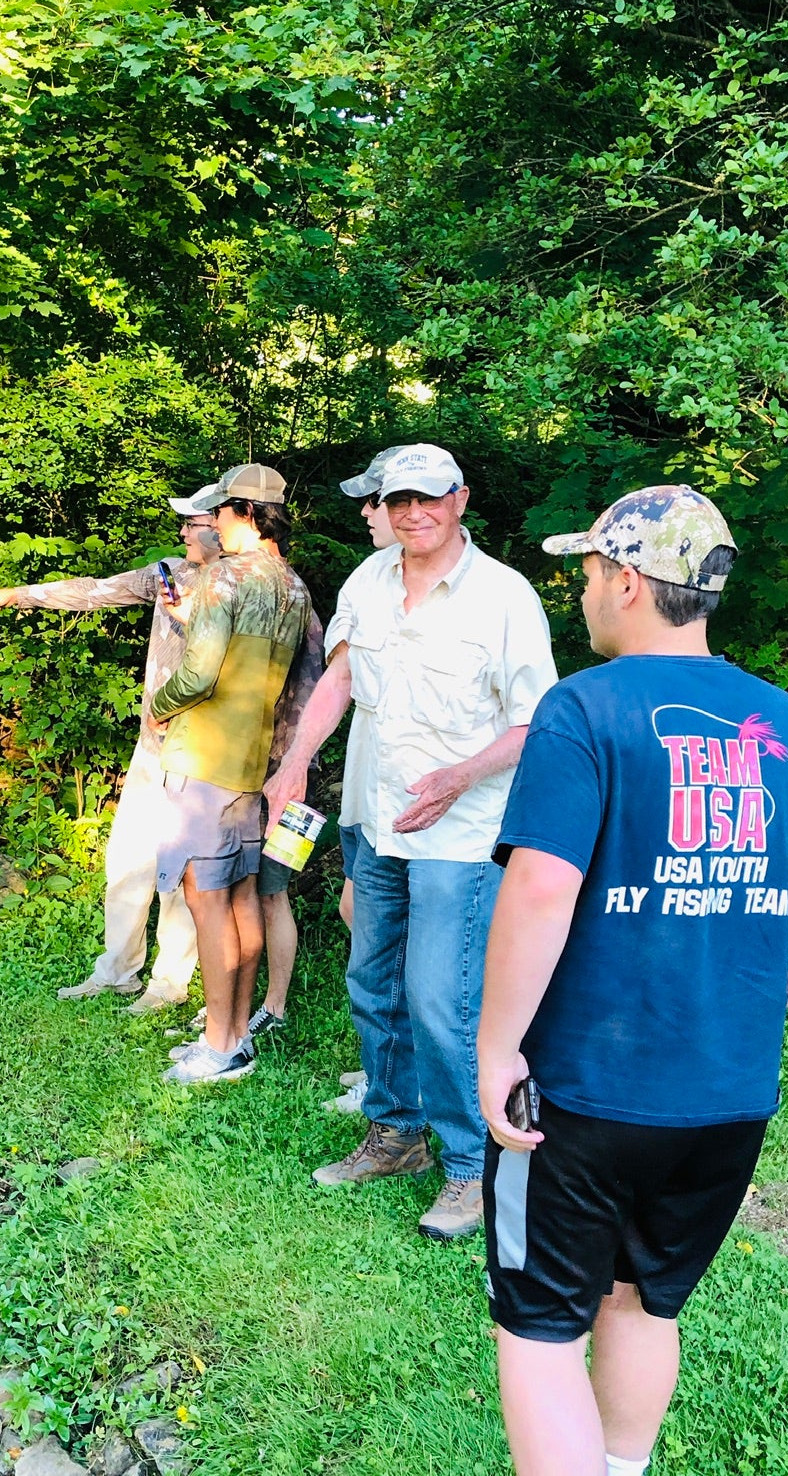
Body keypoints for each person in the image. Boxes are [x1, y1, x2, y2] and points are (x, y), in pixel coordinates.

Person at [475, 487, 788, 1476]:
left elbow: (538, 896)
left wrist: (495, 1048)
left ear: (628, 580)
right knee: (643, 1299)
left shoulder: (583, 710)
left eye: (591, 573)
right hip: (726, 1096)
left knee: (542, 1327)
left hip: (577, 1095)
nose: (586, 592)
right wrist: (734, 1014)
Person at [266, 444, 557, 1239]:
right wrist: (295, 761)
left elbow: (536, 723)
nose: (411, 513)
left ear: (460, 499)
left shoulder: (504, 596)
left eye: (428, 499)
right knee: (372, 983)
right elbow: (340, 680)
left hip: (460, 835)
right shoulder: (369, 579)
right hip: (375, 819)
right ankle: (394, 1135)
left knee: (442, 999)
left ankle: (471, 1166)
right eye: (397, 501)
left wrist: (460, 777)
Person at [0, 490, 220, 1008]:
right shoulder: (168, 571)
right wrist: (18, 595)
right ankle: (117, 969)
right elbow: (97, 591)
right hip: (152, 747)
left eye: (193, 523)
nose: (184, 533)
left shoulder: (244, 587)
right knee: (127, 858)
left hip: (203, 754)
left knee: (178, 872)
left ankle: (169, 983)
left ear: (224, 523)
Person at [148, 464, 311, 1085]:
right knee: (242, 896)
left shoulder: (222, 577)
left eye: (220, 511)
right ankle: (237, 1035)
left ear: (243, 513)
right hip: (250, 763)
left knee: (207, 900)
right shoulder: (291, 584)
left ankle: (217, 1048)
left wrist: (158, 709)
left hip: (204, 758)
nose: (212, 522)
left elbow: (201, 676)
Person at [333, 446, 401, 933]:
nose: (364, 511)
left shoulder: (487, 593)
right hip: (364, 788)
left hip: (428, 808)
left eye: (373, 500)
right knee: (354, 910)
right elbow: (341, 666)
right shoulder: (365, 578)